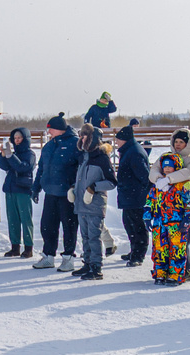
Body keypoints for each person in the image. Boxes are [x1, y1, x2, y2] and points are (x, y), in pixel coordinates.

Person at [32, 113, 82, 271]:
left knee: (69, 226)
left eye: (50, 129)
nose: (48, 132)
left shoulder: (75, 144)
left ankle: (68, 258)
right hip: (51, 192)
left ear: (59, 129)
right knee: (47, 225)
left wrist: (75, 185)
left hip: (67, 193)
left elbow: (81, 167)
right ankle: (48, 256)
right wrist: (36, 187)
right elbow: (41, 169)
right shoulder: (49, 146)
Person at [70, 124, 117, 280]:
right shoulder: (83, 157)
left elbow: (111, 182)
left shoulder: (102, 158)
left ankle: (96, 267)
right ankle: (88, 263)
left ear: (92, 138)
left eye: (85, 136)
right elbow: (81, 179)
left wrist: (93, 188)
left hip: (95, 204)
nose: (81, 139)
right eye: (81, 136)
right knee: (85, 236)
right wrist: (73, 189)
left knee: (94, 236)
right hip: (81, 204)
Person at [145, 153, 190, 285]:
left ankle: (175, 274)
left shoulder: (184, 185)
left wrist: (187, 219)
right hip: (159, 223)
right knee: (160, 248)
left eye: (170, 167)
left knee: (177, 249)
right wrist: (147, 216)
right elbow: (150, 201)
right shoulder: (158, 185)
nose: (167, 169)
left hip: (177, 224)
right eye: (165, 167)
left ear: (176, 167)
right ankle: (160, 272)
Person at [115, 121, 151, 266]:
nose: (116, 143)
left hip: (136, 197)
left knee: (137, 226)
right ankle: (134, 250)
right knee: (129, 225)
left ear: (124, 140)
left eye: (117, 140)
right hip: (129, 196)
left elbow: (144, 176)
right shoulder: (129, 150)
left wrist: (141, 193)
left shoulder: (134, 152)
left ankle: (138, 254)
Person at [0, 128, 37, 258]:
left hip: (23, 190)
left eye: (19, 138)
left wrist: (10, 156)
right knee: (12, 219)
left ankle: (28, 247)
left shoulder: (30, 154)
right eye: (15, 138)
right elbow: (3, 166)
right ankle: (15, 246)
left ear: (25, 139)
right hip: (10, 189)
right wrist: (3, 154)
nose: (17, 140)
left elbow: (22, 167)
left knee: (25, 219)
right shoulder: (13, 153)